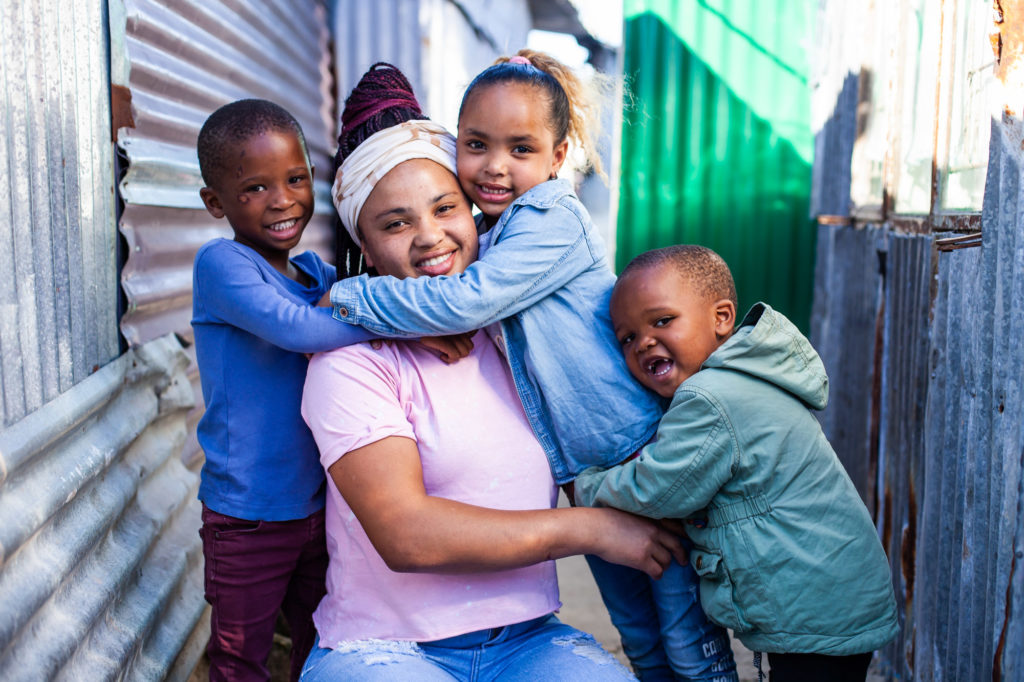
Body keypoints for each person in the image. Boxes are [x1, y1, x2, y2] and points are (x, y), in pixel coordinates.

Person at [326, 52, 736, 680]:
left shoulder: (550, 221)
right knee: (641, 636)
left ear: (557, 155)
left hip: (642, 451)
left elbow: (469, 299)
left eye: (520, 148)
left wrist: (350, 297)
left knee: (687, 637)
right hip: (590, 476)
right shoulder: (489, 239)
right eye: (477, 146)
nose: (496, 166)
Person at [573, 245, 901, 682]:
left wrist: (588, 486)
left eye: (662, 320)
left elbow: (660, 487)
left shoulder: (709, 398)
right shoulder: (746, 378)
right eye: (627, 338)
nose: (644, 342)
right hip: (832, 596)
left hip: (814, 612)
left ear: (722, 318)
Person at [190, 99, 388, 682]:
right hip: (246, 515)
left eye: (295, 179)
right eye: (255, 188)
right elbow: (299, 329)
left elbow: (358, 300)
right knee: (239, 657)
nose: (282, 200)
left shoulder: (316, 274)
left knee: (321, 642)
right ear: (215, 202)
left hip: (320, 507)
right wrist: (403, 325)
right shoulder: (222, 264)